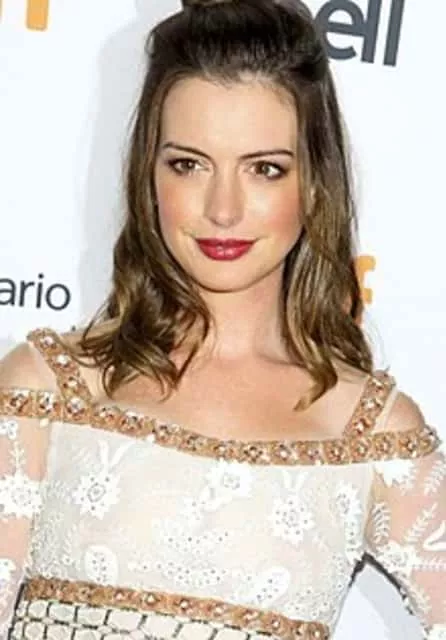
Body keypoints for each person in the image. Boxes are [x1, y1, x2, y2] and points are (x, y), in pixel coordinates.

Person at [0, 0, 445, 637]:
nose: (224, 210)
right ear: (148, 173)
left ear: (314, 182)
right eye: (188, 164)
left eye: (264, 169)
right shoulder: (46, 391)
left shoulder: (367, 430)